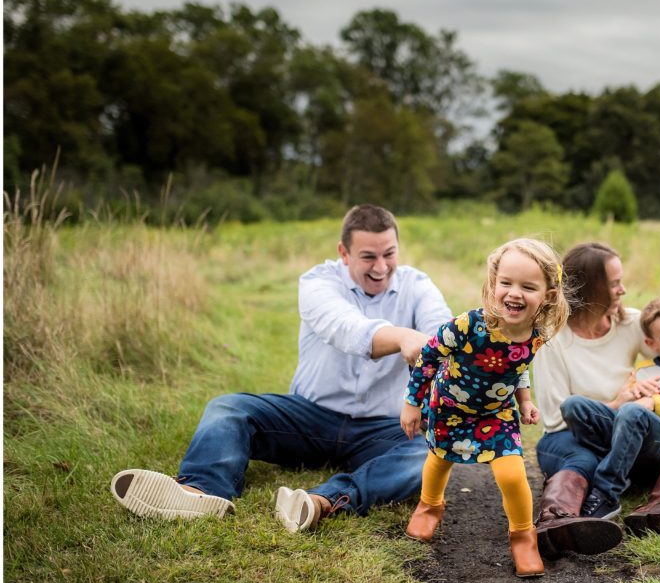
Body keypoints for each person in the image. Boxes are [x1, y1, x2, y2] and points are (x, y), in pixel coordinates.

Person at [109, 204, 452, 532]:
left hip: (382, 427)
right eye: (368, 256)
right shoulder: (318, 283)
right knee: (229, 407)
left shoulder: (418, 285)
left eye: (389, 254)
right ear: (343, 253)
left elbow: (441, 332)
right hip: (309, 418)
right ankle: (201, 491)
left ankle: (322, 501)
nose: (381, 266)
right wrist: (404, 337)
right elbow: (348, 329)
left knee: (428, 454)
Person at [531, 242, 660, 557]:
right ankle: (555, 524)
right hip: (578, 434)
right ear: (592, 288)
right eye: (615, 282)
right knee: (582, 455)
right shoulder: (553, 340)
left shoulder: (632, 324)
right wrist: (618, 404)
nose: (623, 289)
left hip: (632, 434)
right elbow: (554, 418)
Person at [400, 238, 570, 578]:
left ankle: (523, 536)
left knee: (512, 473)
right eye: (505, 283)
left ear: (548, 296)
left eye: (527, 286)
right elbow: (428, 358)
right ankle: (429, 506)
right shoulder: (467, 326)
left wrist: (525, 400)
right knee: (439, 460)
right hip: (450, 407)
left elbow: (517, 370)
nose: (514, 293)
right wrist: (412, 403)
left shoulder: (535, 335)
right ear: (493, 284)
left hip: (496, 413)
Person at [564, 297, 660, 535]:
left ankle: (606, 492)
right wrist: (632, 394)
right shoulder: (644, 368)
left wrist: (653, 402)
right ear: (650, 342)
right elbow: (628, 408)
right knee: (574, 405)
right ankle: (612, 463)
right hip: (633, 429)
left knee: (635, 412)